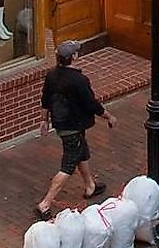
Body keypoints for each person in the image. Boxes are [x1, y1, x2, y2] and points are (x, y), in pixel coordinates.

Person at [34, 41, 113, 216]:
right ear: (73, 57)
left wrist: (44, 121)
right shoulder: (79, 80)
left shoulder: (52, 75)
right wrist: (108, 116)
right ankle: (45, 204)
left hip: (61, 123)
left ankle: (90, 186)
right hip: (73, 127)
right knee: (68, 165)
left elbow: (45, 100)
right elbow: (91, 103)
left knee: (81, 153)